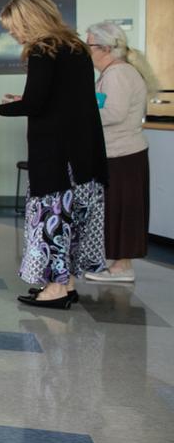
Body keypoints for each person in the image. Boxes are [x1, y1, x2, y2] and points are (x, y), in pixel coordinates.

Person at [0, 0, 107, 308]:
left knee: (52, 219)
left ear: (29, 20)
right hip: (82, 153)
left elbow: (37, 103)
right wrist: (22, 101)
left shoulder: (43, 50)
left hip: (56, 154)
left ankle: (55, 288)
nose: (12, 34)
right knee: (70, 219)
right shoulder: (77, 48)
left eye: (13, 27)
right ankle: (65, 284)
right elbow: (63, 99)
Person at [83, 21, 152, 283]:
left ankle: (122, 267)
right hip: (117, 154)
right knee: (115, 208)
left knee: (123, 209)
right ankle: (117, 263)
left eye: (88, 45)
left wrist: (78, 113)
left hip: (124, 155)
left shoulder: (118, 74)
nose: (86, 51)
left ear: (104, 48)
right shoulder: (110, 74)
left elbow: (113, 113)